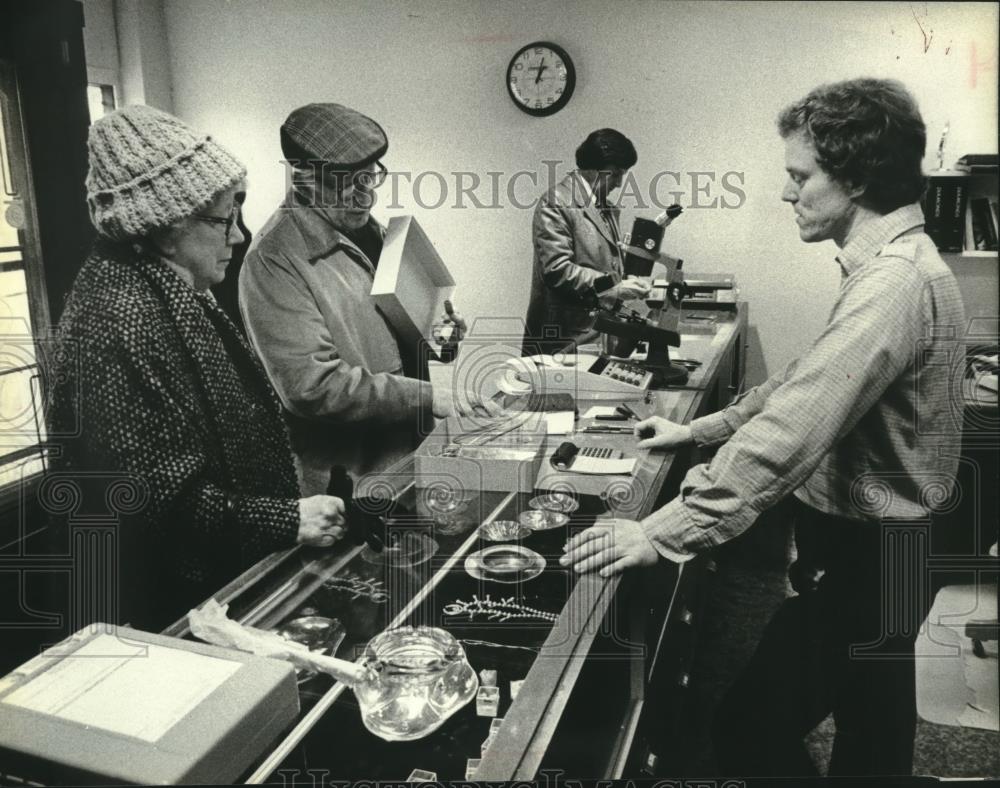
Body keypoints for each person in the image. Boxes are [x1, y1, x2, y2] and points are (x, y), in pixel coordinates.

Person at [561, 78, 966, 776]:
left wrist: (660, 531)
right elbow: (801, 382)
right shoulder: (896, 269)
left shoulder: (893, 284)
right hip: (898, 547)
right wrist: (696, 432)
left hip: (870, 555)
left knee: (746, 727)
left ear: (857, 177)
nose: (787, 193)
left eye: (799, 175)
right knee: (875, 723)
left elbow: (792, 431)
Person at [46, 105, 347, 631]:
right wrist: (287, 518)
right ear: (166, 225)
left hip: (207, 592)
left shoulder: (163, 286)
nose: (239, 235)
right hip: (160, 617)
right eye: (224, 217)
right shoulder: (119, 318)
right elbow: (152, 505)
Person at [240, 102, 495, 494]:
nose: (366, 198)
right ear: (304, 177)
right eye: (348, 182)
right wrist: (429, 397)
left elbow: (395, 336)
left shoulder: (368, 231)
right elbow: (312, 386)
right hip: (353, 483)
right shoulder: (272, 261)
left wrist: (440, 337)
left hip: (409, 456)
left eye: (370, 178)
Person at [523, 128, 652, 355]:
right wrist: (614, 286)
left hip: (594, 336)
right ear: (592, 170)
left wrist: (628, 281)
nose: (620, 183)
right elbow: (557, 270)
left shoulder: (603, 206)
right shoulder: (556, 203)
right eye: (615, 174)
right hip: (564, 342)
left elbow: (604, 265)